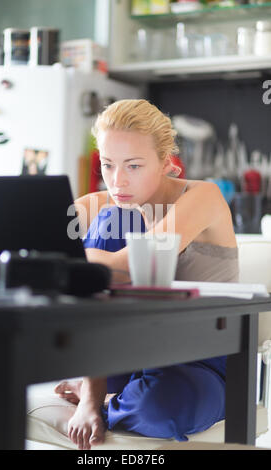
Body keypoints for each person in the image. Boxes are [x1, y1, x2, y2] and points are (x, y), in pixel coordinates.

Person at [54, 99, 239, 450]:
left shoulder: (204, 196)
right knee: (111, 219)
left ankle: (110, 399)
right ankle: (95, 392)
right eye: (107, 165)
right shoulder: (104, 204)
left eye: (134, 166)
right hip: (126, 351)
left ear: (167, 162)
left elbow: (127, 265)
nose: (117, 180)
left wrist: (71, 260)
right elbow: (40, 240)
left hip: (199, 360)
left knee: (162, 410)